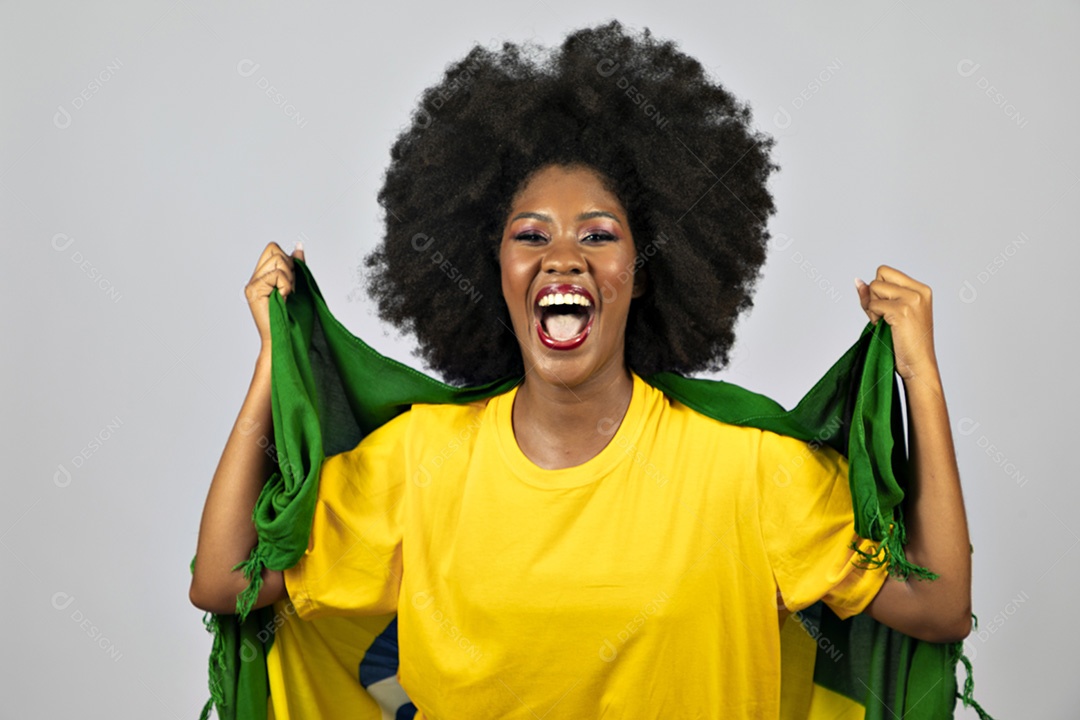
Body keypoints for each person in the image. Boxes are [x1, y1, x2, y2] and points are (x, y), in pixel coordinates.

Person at [190, 20, 972, 719]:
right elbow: (223, 583)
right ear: (489, 267)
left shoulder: (746, 470)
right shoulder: (419, 463)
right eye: (531, 236)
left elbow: (937, 612)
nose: (563, 256)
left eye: (598, 236)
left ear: (648, 267)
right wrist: (273, 359)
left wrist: (922, 380)